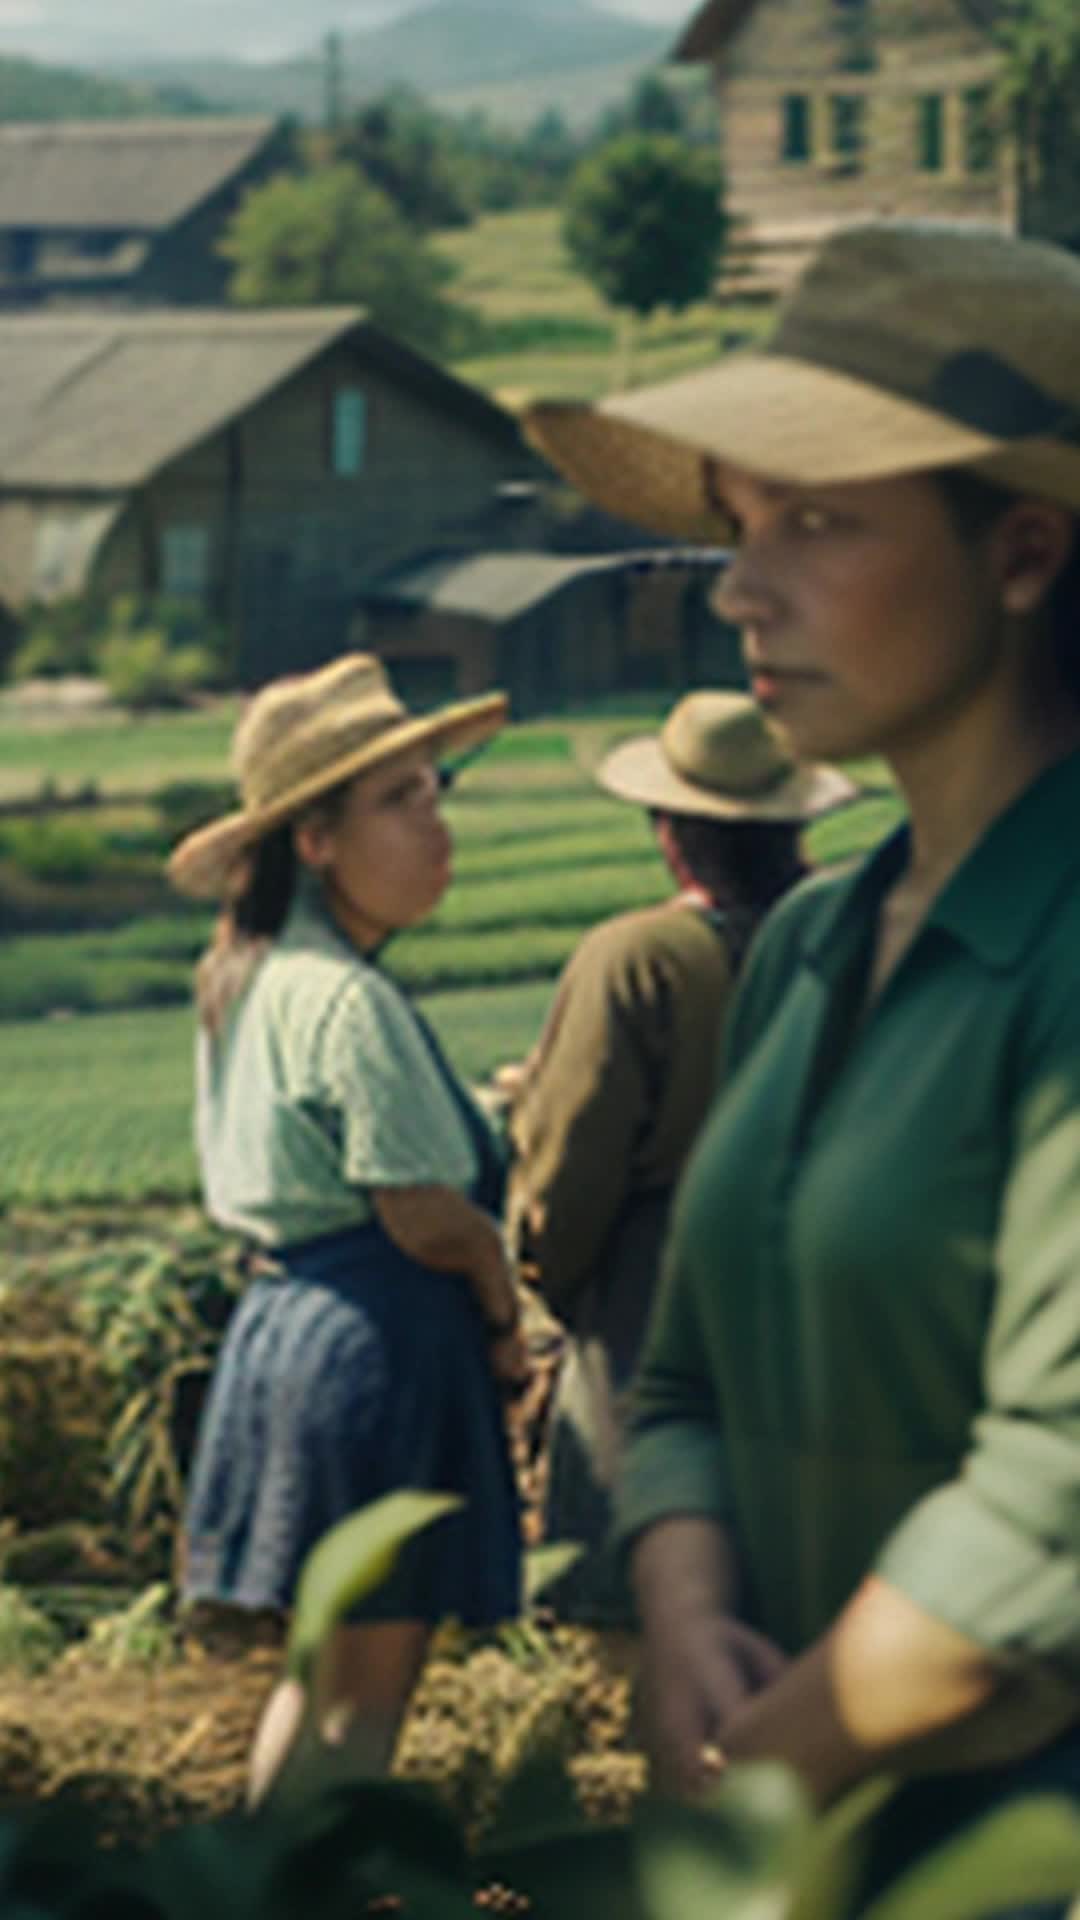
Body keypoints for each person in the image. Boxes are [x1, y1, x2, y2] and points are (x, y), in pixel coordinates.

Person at [524, 220, 1080, 1912]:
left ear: (1025, 553)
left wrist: (773, 1757)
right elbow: (684, 1374)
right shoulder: (820, 953)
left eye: (820, 522)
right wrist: (687, 1613)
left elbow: (1054, 1506)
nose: (742, 586)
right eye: (740, 526)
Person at [167, 653, 528, 1800]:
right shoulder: (347, 999)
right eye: (397, 800)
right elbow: (422, 1211)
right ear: (312, 842)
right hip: (377, 1349)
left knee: (316, 1692)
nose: (435, 825)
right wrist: (504, 1302)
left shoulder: (253, 976)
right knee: (365, 1703)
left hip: (286, 1333)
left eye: (434, 791)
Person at [505, 690, 855, 1626]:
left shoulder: (638, 959)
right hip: (831, 1305)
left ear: (669, 831)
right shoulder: (852, 937)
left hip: (655, 1306)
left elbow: (567, 1170)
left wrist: (561, 1288)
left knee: (644, 1628)